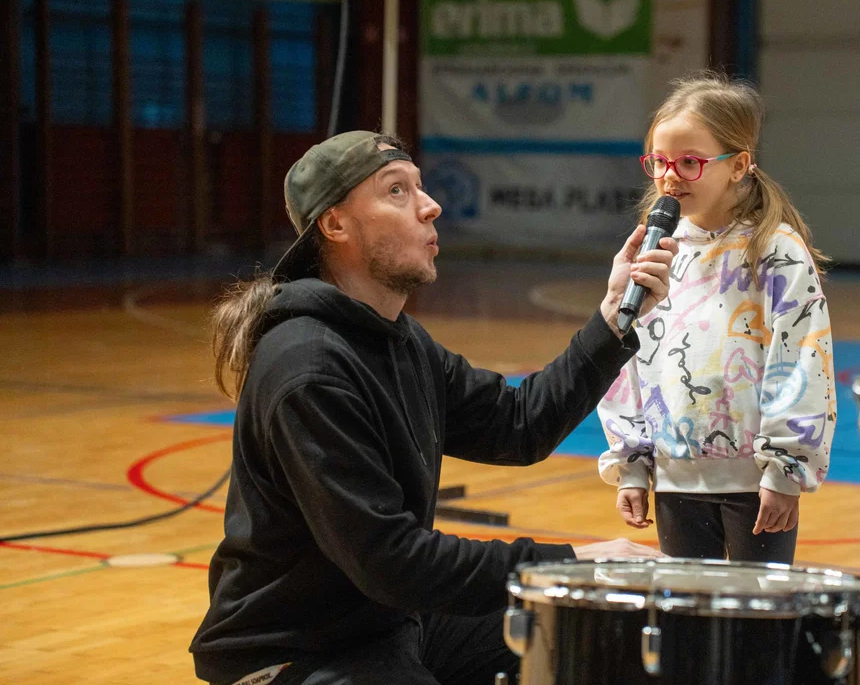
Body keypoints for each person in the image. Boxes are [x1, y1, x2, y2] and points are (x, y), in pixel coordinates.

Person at [189, 131, 677, 685]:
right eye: (397, 191)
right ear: (335, 225)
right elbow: (392, 560)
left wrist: (614, 317)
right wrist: (570, 560)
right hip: (292, 654)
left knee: (606, 626)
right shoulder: (309, 368)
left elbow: (518, 426)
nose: (431, 206)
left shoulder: (400, 340)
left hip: (386, 624)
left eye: (421, 187)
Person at [596, 73, 836, 565]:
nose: (670, 175)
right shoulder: (655, 252)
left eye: (690, 162)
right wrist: (634, 464)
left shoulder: (775, 252)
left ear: (739, 166)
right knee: (688, 624)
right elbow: (628, 359)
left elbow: (802, 360)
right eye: (659, 162)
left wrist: (785, 471)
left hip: (755, 483)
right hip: (674, 479)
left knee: (756, 628)